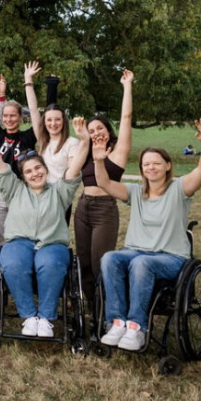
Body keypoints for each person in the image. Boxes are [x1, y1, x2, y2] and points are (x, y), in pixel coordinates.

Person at [96, 118, 201, 351]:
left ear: (168, 165)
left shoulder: (179, 189)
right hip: (135, 252)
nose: (150, 168)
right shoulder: (135, 192)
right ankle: (117, 322)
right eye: (146, 164)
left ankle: (136, 328)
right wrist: (99, 159)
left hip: (170, 257)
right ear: (141, 169)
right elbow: (103, 182)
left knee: (142, 263)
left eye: (156, 163)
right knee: (110, 257)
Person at [0, 116, 90, 338]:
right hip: (19, 242)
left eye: (38, 168)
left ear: (45, 170)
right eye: (29, 171)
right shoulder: (15, 189)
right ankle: (29, 316)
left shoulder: (59, 191)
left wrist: (84, 141)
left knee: (50, 263)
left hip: (52, 244)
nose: (35, 173)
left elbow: (74, 168)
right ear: (23, 176)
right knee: (12, 261)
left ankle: (45, 318)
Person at [75, 70, 134, 305]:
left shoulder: (118, 151)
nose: (96, 133)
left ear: (108, 130)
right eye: (92, 131)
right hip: (83, 207)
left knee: (101, 261)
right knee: (84, 260)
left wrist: (127, 86)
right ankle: (92, 306)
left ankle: (109, 306)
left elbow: (127, 117)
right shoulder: (87, 152)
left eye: (100, 128)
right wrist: (83, 140)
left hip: (104, 209)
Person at [0, 63, 41, 249]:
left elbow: (41, 119)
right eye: (5, 116)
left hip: (21, 192)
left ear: (21, 117)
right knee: (1, 238)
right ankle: (1, 269)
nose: (8, 119)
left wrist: (44, 84)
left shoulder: (28, 137)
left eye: (13, 116)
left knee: (21, 234)